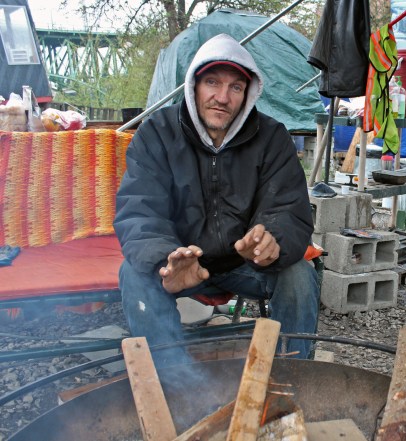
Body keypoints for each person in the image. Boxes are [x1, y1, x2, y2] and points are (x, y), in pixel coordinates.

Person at [114, 34, 320, 366]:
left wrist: (272, 243)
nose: (222, 97)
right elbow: (139, 208)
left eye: (235, 87)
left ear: (248, 93)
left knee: (299, 273)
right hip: (182, 264)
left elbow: (287, 206)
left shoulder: (272, 138)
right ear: (193, 84)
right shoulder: (157, 133)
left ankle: (294, 374)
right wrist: (163, 260)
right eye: (212, 82)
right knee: (134, 273)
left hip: (246, 265)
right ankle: (172, 382)